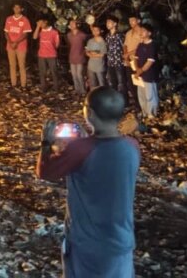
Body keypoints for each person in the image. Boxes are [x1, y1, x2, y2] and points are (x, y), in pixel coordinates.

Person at [36, 87, 140, 277]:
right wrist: (86, 140)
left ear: (89, 113)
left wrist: (45, 144)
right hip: (122, 240)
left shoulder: (80, 149)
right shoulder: (132, 146)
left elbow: (46, 172)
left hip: (88, 243)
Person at [131, 23, 158, 119]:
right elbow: (135, 58)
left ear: (149, 33)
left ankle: (151, 114)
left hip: (149, 75)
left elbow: (150, 62)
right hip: (140, 75)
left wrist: (140, 70)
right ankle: (144, 112)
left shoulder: (152, 45)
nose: (141, 33)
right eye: (141, 31)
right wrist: (136, 69)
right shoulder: (140, 45)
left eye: (143, 31)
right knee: (141, 95)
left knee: (150, 95)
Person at [4, 4, 32, 89]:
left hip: (21, 46)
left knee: (21, 65)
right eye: (14, 7)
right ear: (13, 8)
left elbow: (25, 34)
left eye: (18, 8)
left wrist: (16, 42)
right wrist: (10, 42)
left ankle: (23, 85)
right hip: (10, 46)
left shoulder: (25, 20)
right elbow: (6, 32)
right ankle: (13, 84)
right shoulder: (9, 19)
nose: (16, 9)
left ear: (21, 9)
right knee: (12, 65)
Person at [123, 15, 143, 108]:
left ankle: (142, 105)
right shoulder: (128, 33)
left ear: (138, 20)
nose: (131, 22)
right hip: (129, 61)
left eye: (133, 20)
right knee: (131, 84)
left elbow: (141, 47)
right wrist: (126, 57)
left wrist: (129, 53)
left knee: (140, 83)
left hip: (138, 61)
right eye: (129, 20)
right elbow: (125, 46)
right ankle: (137, 105)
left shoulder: (142, 32)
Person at [104, 17, 128, 99]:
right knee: (112, 83)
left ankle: (124, 102)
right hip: (110, 62)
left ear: (115, 24)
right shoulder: (107, 36)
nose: (107, 24)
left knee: (121, 83)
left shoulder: (119, 35)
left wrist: (125, 59)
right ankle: (115, 101)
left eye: (109, 22)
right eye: (107, 22)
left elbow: (124, 47)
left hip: (119, 62)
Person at [35, 18, 60, 91]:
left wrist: (51, 49)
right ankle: (43, 86)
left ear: (46, 22)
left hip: (51, 55)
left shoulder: (54, 32)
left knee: (53, 71)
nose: (40, 25)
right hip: (42, 55)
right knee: (42, 72)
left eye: (41, 23)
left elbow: (57, 44)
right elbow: (34, 37)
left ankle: (56, 87)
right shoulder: (41, 31)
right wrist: (37, 27)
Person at [67, 20, 88, 96]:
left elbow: (86, 43)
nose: (71, 25)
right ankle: (77, 90)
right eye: (70, 24)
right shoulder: (69, 35)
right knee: (74, 75)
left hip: (80, 57)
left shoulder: (82, 35)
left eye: (73, 23)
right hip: (72, 57)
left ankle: (83, 90)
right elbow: (70, 45)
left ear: (77, 25)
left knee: (79, 75)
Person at [85, 23, 107, 88]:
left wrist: (92, 54)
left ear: (100, 31)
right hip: (91, 66)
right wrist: (93, 53)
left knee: (101, 84)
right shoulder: (90, 41)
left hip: (99, 66)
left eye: (97, 30)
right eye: (94, 30)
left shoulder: (102, 41)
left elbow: (102, 54)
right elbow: (87, 51)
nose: (95, 32)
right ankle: (93, 97)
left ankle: (103, 97)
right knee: (92, 84)